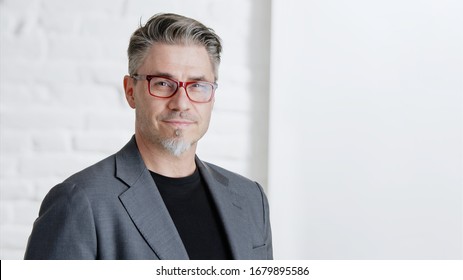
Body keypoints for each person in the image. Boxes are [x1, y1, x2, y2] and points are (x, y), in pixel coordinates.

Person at [24, 13, 272, 260]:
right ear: (130, 91)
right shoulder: (79, 203)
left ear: (213, 96)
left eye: (197, 85)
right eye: (163, 83)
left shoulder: (250, 199)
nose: (181, 103)